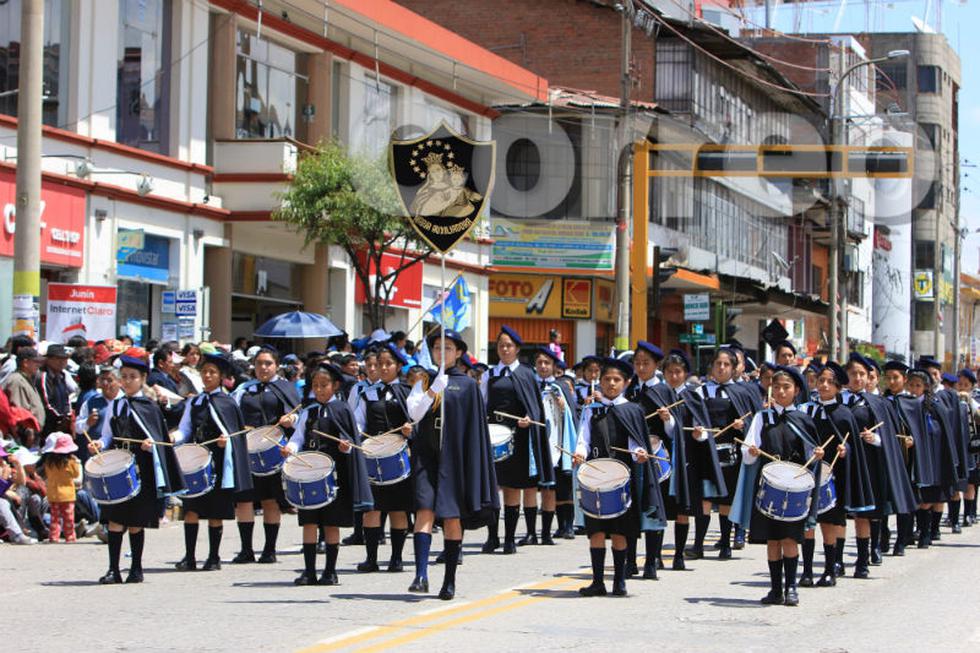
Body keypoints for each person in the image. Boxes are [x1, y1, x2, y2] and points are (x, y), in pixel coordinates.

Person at [403, 329, 498, 600]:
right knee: (424, 510)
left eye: (447, 348)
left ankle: (449, 580)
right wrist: (434, 388)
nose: (441, 353)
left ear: (458, 353)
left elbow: (473, 430)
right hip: (427, 455)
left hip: (454, 457)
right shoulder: (423, 381)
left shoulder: (468, 385)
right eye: (436, 348)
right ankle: (420, 575)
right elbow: (415, 412)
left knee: (452, 517)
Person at [732, 366, 829, 606]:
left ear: (796, 390)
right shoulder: (761, 418)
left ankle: (792, 588)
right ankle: (776, 589)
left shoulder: (804, 419)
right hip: (769, 486)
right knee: (772, 540)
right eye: (776, 387)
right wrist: (751, 451)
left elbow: (811, 453)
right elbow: (747, 450)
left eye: (786, 387)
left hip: (794, 487)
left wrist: (817, 454)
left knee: (790, 539)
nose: (781, 391)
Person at [88, 356, 186, 584]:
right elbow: (106, 435)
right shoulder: (116, 405)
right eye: (124, 376)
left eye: (133, 377)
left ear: (143, 379)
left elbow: (160, 441)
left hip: (141, 470)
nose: (128, 381)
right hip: (117, 467)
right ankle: (113, 569)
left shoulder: (150, 407)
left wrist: (151, 447)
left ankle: (136, 568)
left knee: (135, 522)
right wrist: (99, 444)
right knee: (114, 519)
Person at [573, 357, 664, 597]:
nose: (611, 384)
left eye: (616, 380)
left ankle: (619, 582)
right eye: (606, 379)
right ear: (599, 381)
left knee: (620, 532)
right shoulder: (591, 409)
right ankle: (597, 581)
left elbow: (636, 443)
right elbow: (583, 438)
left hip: (622, 478)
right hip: (595, 476)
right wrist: (579, 453)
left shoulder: (632, 410)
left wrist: (640, 454)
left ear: (625, 383)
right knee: (596, 532)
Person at [284, 363, 373, 585]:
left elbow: (351, 441)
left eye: (324, 385)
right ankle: (309, 571)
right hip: (310, 470)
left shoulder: (343, 410)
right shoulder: (309, 411)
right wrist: (291, 449)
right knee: (309, 523)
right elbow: (298, 437)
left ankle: (330, 571)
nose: (320, 390)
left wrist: (347, 446)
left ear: (335, 386)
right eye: (316, 386)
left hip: (335, 474)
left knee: (331, 523)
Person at [173, 353, 253, 571]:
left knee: (215, 512)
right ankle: (189, 556)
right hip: (195, 460)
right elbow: (185, 428)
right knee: (191, 510)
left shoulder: (227, 402)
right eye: (204, 372)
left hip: (218, 461)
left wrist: (226, 441)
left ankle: (213, 556)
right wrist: (175, 437)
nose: (207, 376)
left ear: (221, 377)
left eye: (212, 372)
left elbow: (236, 435)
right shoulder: (194, 401)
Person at [481, 325, 552, 553]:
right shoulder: (488, 375)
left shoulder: (526, 374)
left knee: (513, 488)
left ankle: (510, 539)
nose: (504, 349)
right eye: (501, 345)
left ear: (517, 349)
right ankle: (493, 537)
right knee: (492, 488)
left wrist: (528, 418)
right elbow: (481, 405)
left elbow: (535, 408)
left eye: (509, 345)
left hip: (517, 438)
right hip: (492, 437)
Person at [798, 362, 867, 586]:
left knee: (829, 523)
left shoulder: (844, 414)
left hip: (833, 474)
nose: (824, 385)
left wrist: (845, 451)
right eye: (821, 381)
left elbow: (852, 446)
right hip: (809, 471)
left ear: (838, 388)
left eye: (830, 382)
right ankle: (806, 571)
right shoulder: (806, 410)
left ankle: (830, 570)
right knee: (807, 524)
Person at [232, 345, 300, 564]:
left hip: (273, 451)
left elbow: (298, 415)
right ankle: (245, 549)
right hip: (248, 450)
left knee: (270, 501)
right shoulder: (244, 388)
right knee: (244, 501)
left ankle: (269, 549)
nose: (263, 367)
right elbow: (232, 412)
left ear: (276, 366)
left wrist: (291, 421)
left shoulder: (285, 387)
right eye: (260, 363)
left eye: (268, 363)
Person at [686, 348, 754, 561]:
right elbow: (692, 419)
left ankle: (726, 544)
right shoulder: (701, 392)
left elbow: (754, 423)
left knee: (726, 500)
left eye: (726, 365)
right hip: (706, 451)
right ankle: (698, 544)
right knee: (705, 498)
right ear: (712, 366)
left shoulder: (742, 393)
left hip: (731, 453)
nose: (722, 368)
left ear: (734, 368)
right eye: (718, 364)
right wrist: (697, 431)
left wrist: (742, 426)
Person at [352, 344, 414, 573]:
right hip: (372, 455)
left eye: (389, 364)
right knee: (372, 510)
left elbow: (418, 421)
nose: (384, 368)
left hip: (399, 457)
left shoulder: (407, 392)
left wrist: (410, 430)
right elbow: (359, 422)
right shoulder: (366, 394)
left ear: (398, 366)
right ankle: (371, 558)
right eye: (380, 364)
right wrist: (356, 436)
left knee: (399, 509)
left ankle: (396, 558)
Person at [533, 347, 578, 545]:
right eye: (540, 363)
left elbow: (570, 414)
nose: (543, 366)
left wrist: (562, 406)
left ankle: (568, 525)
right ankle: (556, 527)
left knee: (564, 484)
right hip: (542, 443)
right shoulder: (533, 386)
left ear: (553, 367)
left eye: (547, 363)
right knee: (549, 487)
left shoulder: (560, 387)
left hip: (559, 443)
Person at [74, 366, 123, 464]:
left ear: (119, 382)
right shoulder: (91, 402)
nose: (105, 384)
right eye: (102, 380)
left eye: (109, 380)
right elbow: (77, 428)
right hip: (96, 456)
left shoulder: (125, 402)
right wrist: (87, 422)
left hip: (120, 456)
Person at [39, 432, 81, 543]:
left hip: (53, 494)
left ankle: (54, 537)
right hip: (67, 495)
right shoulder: (71, 462)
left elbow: (47, 474)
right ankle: (70, 537)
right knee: (69, 518)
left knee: (55, 518)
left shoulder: (49, 462)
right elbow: (76, 474)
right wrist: (76, 462)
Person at [3, 347, 45, 448]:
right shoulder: (17, 381)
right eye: (35, 362)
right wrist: (28, 431)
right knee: (19, 459)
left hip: (31, 436)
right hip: (22, 437)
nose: (38, 365)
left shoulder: (26, 379)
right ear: (25, 363)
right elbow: (19, 410)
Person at [0, 446, 36, 544]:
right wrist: (3, 478)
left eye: (2, 457)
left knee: (25, 493)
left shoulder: (4, 467)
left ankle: (20, 531)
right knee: (2, 502)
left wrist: (17, 464)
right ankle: (17, 534)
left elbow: (22, 484)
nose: (2, 460)